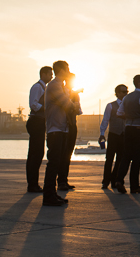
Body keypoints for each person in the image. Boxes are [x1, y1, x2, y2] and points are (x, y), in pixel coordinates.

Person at [42, 60, 74, 207]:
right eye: (67, 68)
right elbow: (67, 104)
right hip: (55, 130)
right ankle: (48, 195)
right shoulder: (54, 85)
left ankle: (52, 193)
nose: (68, 71)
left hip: (60, 128)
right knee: (53, 163)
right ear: (61, 70)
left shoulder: (59, 85)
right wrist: (72, 103)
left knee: (57, 162)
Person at [26, 66, 52, 193]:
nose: (51, 76)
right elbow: (34, 105)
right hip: (36, 121)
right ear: (44, 74)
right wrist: (48, 108)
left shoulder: (44, 88)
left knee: (37, 154)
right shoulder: (37, 87)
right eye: (50, 74)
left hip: (40, 122)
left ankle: (33, 183)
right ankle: (32, 184)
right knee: (35, 154)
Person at [99, 84, 128, 189]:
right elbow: (105, 120)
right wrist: (102, 134)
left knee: (120, 159)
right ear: (118, 93)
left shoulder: (128, 106)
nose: (126, 94)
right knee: (109, 159)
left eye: (126, 92)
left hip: (124, 135)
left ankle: (115, 179)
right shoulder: (111, 105)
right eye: (124, 92)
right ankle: (106, 181)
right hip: (113, 134)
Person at [57, 72, 82, 191]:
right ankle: (60, 181)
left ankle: (64, 180)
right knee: (62, 154)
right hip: (63, 125)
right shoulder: (61, 92)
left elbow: (79, 110)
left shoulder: (75, 94)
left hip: (72, 125)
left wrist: (75, 107)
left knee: (68, 154)